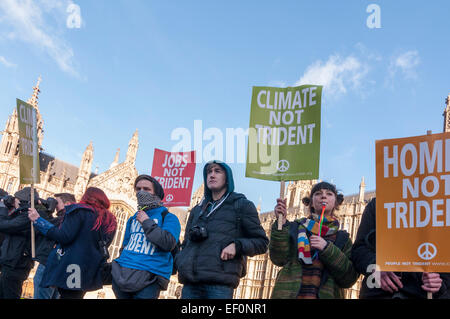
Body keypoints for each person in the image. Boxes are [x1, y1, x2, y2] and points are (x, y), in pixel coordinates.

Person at [175, 160, 269, 299]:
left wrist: (237, 246)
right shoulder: (197, 210)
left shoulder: (241, 205)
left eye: (217, 171)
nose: (212, 175)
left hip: (219, 285)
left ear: (227, 179)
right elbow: (186, 243)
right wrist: (181, 259)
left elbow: (262, 243)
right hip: (191, 283)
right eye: (209, 172)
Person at [270, 181, 359, 299]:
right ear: (310, 202)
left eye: (329, 194)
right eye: (318, 193)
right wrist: (281, 223)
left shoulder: (343, 239)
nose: (323, 196)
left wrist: (327, 249)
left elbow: (349, 278)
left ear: (336, 203)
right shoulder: (295, 228)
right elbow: (278, 258)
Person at [351, 198, 450, 299]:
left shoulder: (441, 204)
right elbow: (358, 250)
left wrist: (440, 285)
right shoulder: (378, 204)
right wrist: (376, 265)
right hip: (378, 292)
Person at [28, 187, 117, 299]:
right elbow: (105, 244)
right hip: (90, 268)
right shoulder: (110, 220)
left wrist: (38, 221)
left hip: (71, 267)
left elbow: (64, 236)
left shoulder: (79, 210)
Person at [111, 174, 181, 299]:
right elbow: (125, 246)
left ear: (156, 193)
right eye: (138, 189)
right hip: (122, 276)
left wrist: (146, 222)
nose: (141, 192)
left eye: (146, 189)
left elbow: (168, 243)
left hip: (150, 278)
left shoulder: (169, 217)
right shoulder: (133, 218)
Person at [0, 187, 45, 299]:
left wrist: (3, 208)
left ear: (20, 200)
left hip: (15, 264)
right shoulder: (23, 214)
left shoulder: (27, 216)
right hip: (12, 263)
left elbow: (4, 225)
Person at [33, 192, 76, 299]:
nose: (55, 205)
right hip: (60, 266)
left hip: (49, 264)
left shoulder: (65, 219)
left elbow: (46, 227)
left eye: (57, 202)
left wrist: (41, 209)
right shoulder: (73, 219)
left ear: (68, 204)